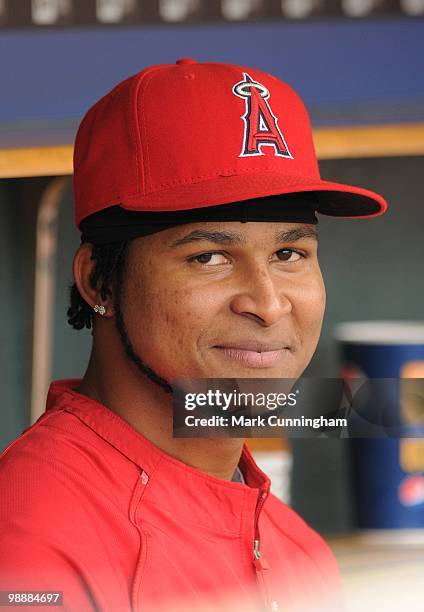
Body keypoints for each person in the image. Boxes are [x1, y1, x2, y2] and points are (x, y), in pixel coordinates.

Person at [0, 59, 387, 612]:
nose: (268, 302)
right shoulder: (33, 544)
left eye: (288, 254)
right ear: (97, 280)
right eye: (209, 257)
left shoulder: (299, 550)